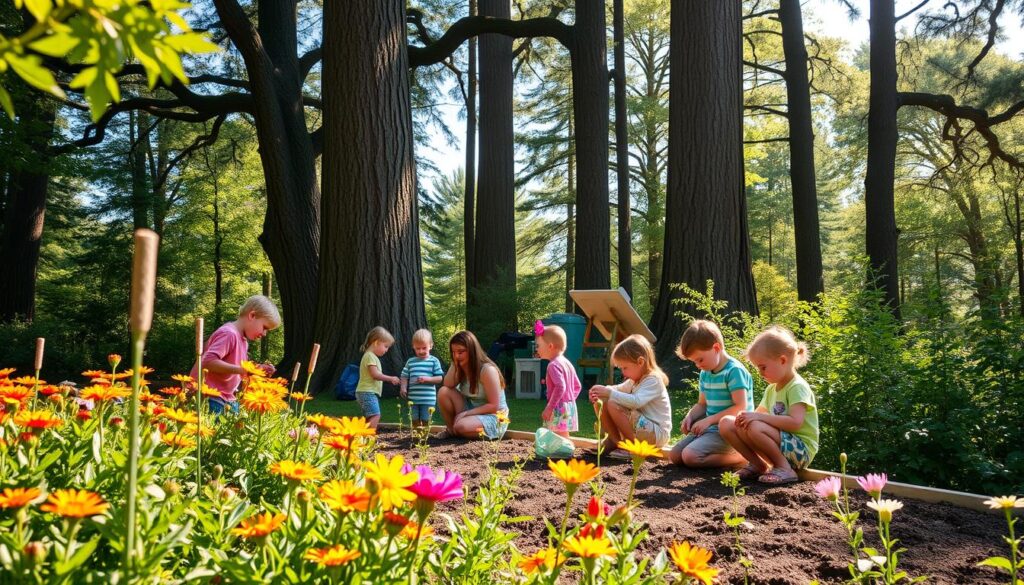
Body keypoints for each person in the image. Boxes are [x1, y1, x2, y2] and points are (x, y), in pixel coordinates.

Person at [719, 326, 818, 485]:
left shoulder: (797, 387)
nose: (760, 373)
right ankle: (758, 465)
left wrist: (757, 417)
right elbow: (757, 416)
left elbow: (795, 422)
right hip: (781, 446)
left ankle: (784, 469)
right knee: (727, 423)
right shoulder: (772, 389)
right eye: (758, 368)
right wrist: (742, 419)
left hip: (800, 451)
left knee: (755, 425)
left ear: (783, 360)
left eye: (763, 367)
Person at [669, 319, 753, 468]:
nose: (698, 365)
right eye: (694, 362)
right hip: (712, 430)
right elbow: (702, 404)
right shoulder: (705, 372)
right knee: (675, 455)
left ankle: (741, 457)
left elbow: (740, 407)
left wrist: (708, 420)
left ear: (716, 348)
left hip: (731, 432)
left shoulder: (734, 371)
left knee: (690, 456)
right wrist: (690, 416)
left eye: (700, 359)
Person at [190, 295, 280, 414]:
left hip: (225, 398)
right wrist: (243, 370)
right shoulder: (229, 334)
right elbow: (208, 361)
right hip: (209, 396)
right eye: (264, 327)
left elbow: (238, 369)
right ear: (252, 315)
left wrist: (257, 370)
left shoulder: (243, 340)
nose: (264, 334)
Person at [588, 334, 672, 455]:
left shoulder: (653, 380)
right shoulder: (634, 380)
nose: (623, 373)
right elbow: (617, 389)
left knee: (612, 403)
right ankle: (615, 441)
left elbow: (636, 401)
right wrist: (601, 391)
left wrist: (609, 393)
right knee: (602, 401)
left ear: (640, 362)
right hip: (644, 430)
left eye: (625, 368)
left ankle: (630, 447)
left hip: (657, 434)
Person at [435, 330, 510, 440]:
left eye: (461, 352)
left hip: (494, 416)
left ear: (472, 351)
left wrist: (466, 414)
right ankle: (451, 430)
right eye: (453, 352)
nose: (456, 356)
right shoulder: (460, 367)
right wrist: (455, 363)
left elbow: (494, 406)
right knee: (444, 391)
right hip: (471, 411)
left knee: (461, 426)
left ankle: (458, 430)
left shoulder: (487, 370)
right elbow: (447, 384)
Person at [534, 321, 581, 438]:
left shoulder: (553, 365)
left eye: (538, 346)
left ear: (550, 346)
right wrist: (568, 401)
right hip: (568, 405)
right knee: (563, 434)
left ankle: (565, 454)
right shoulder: (567, 363)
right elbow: (577, 386)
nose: (537, 349)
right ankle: (566, 453)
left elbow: (560, 386)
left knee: (558, 437)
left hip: (558, 407)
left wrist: (550, 407)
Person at [356, 326, 401, 430]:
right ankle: (370, 437)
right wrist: (390, 378)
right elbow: (375, 375)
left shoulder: (371, 356)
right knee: (375, 415)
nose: (387, 350)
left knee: (370, 416)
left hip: (366, 392)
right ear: (376, 342)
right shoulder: (370, 356)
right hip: (367, 392)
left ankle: (365, 438)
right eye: (386, 346)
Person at [400, 329, 445, 428]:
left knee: (426, 419)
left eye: (424, 348)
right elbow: (404, 375)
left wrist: (427, 379)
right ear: (413, 347)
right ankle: (416, 437)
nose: (421, 351)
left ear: (431, 345)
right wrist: (403, 387)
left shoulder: (434, 361)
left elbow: (439, 378)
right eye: (418, 348)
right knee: (414, 418)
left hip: (428, 399)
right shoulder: (411, 361)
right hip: (413, 398)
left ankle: (424, 437)